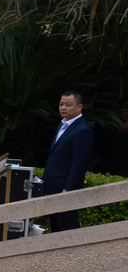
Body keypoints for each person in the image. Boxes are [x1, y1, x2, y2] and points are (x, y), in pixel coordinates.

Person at [43, 91, 95, 232]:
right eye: (61, 104)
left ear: (79, 107)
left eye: (68, 104)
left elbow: (79, 164)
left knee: (68, 228)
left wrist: (69, 189)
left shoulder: (83, 130)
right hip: (53, 187)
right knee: (56, 228)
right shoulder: (63, 125)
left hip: (65, 190)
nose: (63, 108)